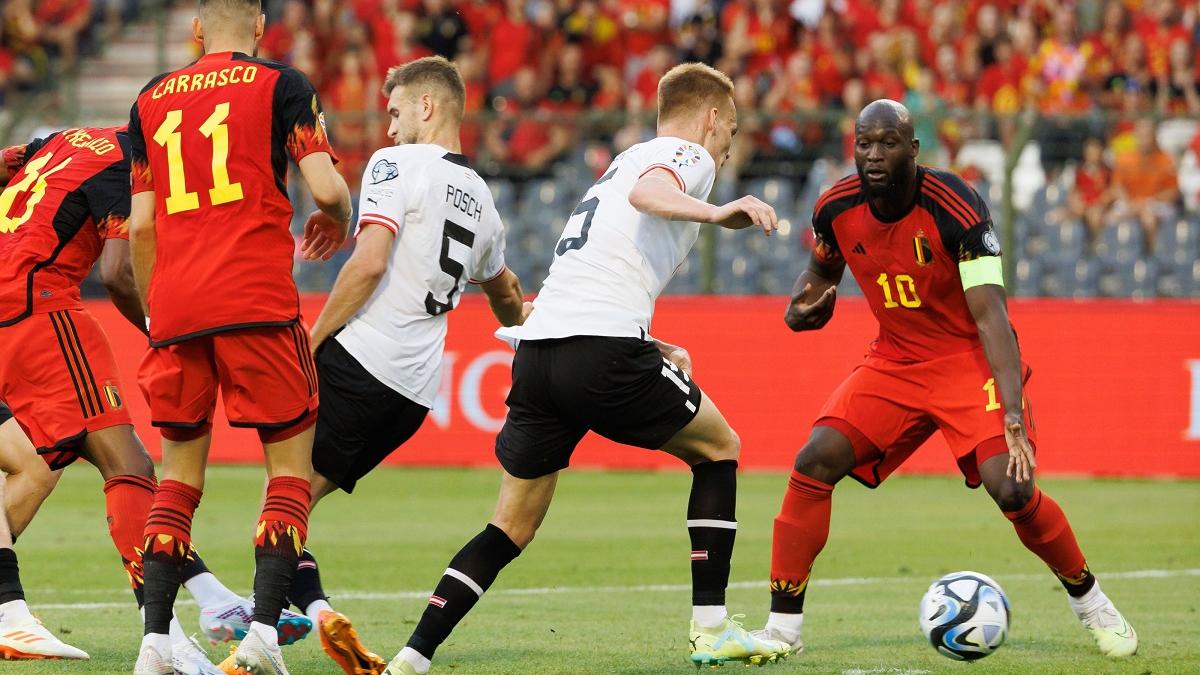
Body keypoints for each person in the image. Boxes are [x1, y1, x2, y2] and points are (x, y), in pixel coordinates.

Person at [380, 62, 788, 675]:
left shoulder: (623, 160)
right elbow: (649, 194)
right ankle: (711, 629)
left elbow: (600, 268)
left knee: (509, 526)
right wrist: (719, 212)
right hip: (599, 351)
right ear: (711, 118)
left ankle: (413, 656)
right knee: (719, 447)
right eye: (730, 127)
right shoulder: (686, 156)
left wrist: (650, 343)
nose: (729, 143)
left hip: (540, 351)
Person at [758, 99, 1138, 659]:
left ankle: (1093, 604)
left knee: (1012, 488)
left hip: (967, 360)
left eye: (888, 143)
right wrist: (800, 310)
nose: (874, 155)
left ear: (913, 150)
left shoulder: (955, 205)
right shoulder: (834, 207)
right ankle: (781, 630)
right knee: (814, 460)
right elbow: (817, 276)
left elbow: (992, 316)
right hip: (894, 361)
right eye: (864, 144)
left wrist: (1012, 412)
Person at [225, 55, 531, 675]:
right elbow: (505, 291)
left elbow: (368, 264)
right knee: (293, 498)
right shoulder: (483, 200)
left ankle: (264, 636)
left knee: (281, 496)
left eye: (395, 112)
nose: (388, 128)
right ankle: (313, 612)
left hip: (362, 359)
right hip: (413, 395)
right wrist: (531, 335)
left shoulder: (395, 165)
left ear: (427, 107)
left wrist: (310, 343)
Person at [0, 127, 310, 672]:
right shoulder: (129, 166)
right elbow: (117, 272)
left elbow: (12, 163)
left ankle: (211, 599)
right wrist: (164, 332)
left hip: (13, 298)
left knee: (37, 464)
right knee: (129, 466)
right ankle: (167, 641)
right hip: (35, 304)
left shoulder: (61, 141)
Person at [127, 1, 352, 672]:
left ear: (196, 30)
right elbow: (325, 188)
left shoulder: (149, 100)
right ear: (259, 27)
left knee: (177, 478)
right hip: (255, 300)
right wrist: (338, 215)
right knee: (288, 472)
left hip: (178, 308)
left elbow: (142, 225)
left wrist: (156, 309)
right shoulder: (282, 84)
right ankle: (261, 637)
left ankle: (156, 641)